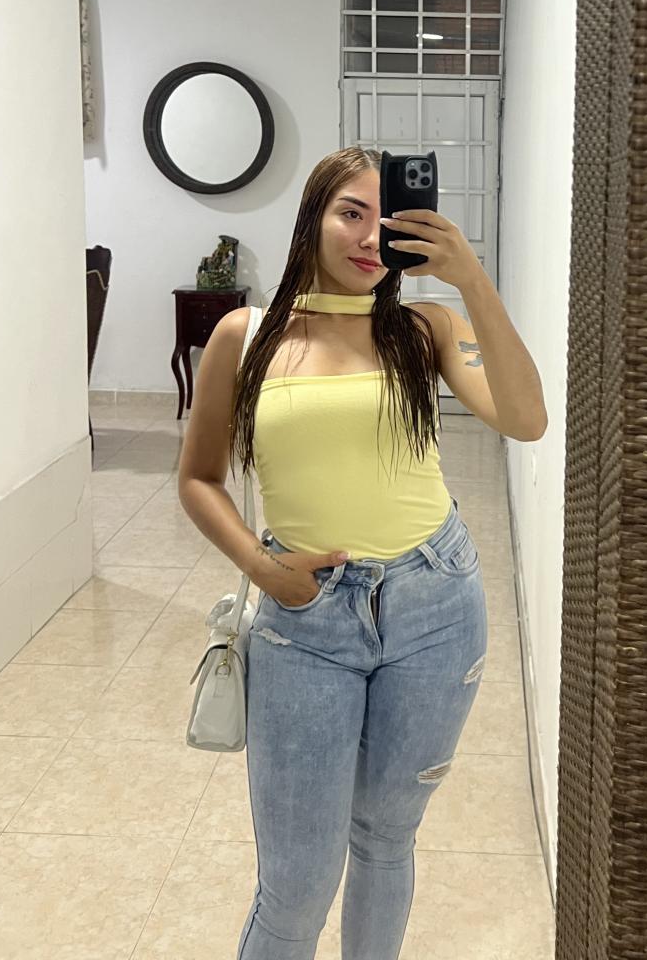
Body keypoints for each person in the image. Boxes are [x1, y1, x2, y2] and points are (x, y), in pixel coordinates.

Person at [178, 145, 547, 960]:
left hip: (435, 607)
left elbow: (526, 418)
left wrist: (471, 281)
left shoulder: (425, 329)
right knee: (297, 882)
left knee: (385, 839)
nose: (371, 237)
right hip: (304, 620)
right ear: (312, 217)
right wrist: (262, 568)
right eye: (352, 213)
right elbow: (199, 478)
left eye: (389, 220)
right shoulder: (244, 337)